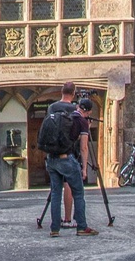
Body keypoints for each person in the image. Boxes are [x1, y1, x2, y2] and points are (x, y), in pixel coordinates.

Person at [45, 97, 98, 237]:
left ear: (78, 107)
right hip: (67, 159)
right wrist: (85, 169)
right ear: (88, 111)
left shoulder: (65, 117)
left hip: (51, 159)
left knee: (56, 194)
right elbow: (84, 147)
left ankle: (54, 229)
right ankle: (81, 226)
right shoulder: (81, 121)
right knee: (79, 193)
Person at [47, 81, 78, 228]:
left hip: (53, 151)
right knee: (69, 185)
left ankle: (55, 224)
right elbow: (77, 131)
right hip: (68, 151)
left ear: (61, 91)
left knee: (55, 190)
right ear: (73, 94)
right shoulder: (74, 109)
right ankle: (67, 219)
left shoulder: (52, 107)